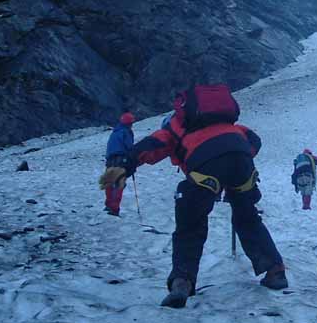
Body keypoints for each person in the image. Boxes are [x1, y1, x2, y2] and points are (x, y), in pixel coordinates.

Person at [99, 85, 287, 309]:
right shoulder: (231, 126)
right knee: (248, 218)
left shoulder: (173, 129)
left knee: (190, 225)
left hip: (204, 166)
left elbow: (151, 146)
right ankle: (274, 270)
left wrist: (123, 165)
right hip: (242, 160)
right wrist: (235, 164)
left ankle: (182, 281)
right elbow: (254, 140)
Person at [103, 111, 136, 216]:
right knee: (119, 184)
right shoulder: (126, 132)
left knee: (109, 182)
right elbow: (130, 147)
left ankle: (108, 205)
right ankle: (114, 208)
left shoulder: (115, 132)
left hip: (110, 161)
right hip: (121, 160)